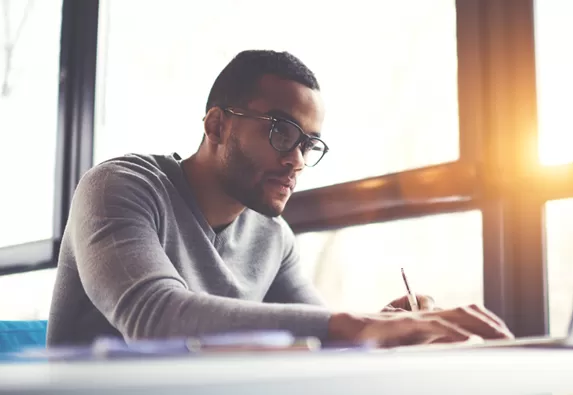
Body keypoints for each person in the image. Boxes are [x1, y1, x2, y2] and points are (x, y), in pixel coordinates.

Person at [46, 50, 513, 348]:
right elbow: (154, 317)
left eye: (308, 144)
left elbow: (317, 329)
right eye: (280, 132)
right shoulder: (119, 187)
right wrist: (351, 325)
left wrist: (385, 329)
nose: (297, 161)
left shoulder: (273, 237)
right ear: (216, 126)